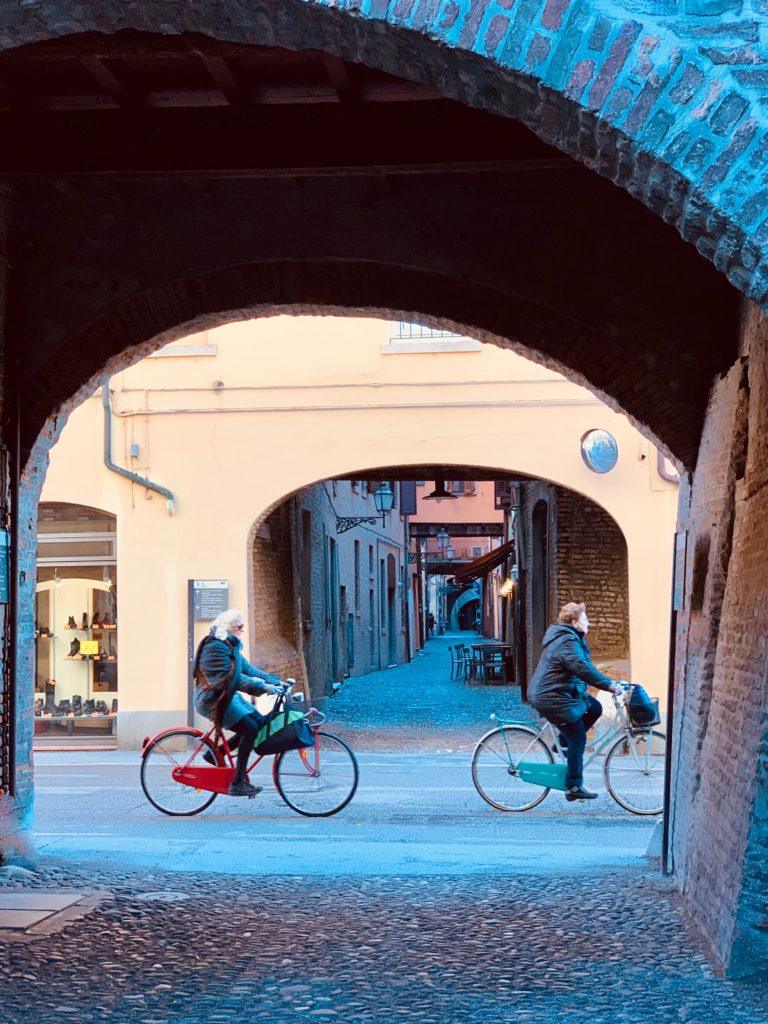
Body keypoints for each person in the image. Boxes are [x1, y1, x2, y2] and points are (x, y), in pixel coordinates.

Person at [527, 601, 622, 802]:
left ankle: (562, 741)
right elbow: (581, 668)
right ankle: (573, 785)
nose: (589, 623)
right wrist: (609, 685)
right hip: (552, 697)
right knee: (578, 737)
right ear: (574, 621)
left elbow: (583, 666)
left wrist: (607, 683)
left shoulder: (570, 637)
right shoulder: (566, 641)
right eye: (585, 619)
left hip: (561, 692)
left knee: (594, 707)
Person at [193, 608, 287, 797]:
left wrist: (274, 680)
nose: (242, 629)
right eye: (240, 626)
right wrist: (263, 688)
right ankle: (238, 782)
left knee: (260, 723)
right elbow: (232, 680)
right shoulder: (215, 648)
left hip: (226, 697)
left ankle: (215, 754)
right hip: (212, 700)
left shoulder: (229, 645)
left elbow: (248, 669)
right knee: (250, 729)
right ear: (229, 628)